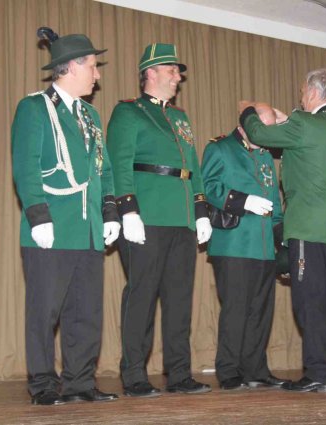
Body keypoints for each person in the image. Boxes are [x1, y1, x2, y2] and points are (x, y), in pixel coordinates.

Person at [238, 68, 326, 392]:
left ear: (312, 92)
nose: (300, 99)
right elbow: (311, 144)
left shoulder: (305, 124)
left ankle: (320, 373)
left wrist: (247, 110)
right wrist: (290, 121)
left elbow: (259, 134)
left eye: (302, 93)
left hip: (311, 228)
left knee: (311, 301)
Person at [11, 27, 120, 405]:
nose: (97, 75)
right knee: (44, 311)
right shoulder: (34, 108)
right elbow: (26, 165)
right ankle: (43, 384)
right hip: (52, 227)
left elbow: (104, 169)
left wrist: (110, 211)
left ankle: (80, 382)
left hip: (88, 230)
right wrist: (38, 215)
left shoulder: (91, 115)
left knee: (85, 312)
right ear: (71, 67)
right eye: (92, 66)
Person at [106, 43, 212, 397]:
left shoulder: (180, 118)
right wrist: (128, 209)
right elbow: (119, 163)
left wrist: (200, 211)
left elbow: (193, 167)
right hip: (147, 216)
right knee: (142, 296)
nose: (178, 77)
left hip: (181, 218)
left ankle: (179, 374)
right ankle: (134, 375)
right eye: (172, 70)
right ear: (150, 72)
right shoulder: (129, 112)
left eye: (178, 71)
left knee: (179, 299)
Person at [201, 109, 290, 391]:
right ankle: (228, 370)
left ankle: (256, 370)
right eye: (262, 128)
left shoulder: (265, 156)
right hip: (234, 243)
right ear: (245, 125)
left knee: (260, 312)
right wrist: (242, 201)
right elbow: (207, 186)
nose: (266, 135)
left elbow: (274, 204)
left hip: (263, 247)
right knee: (235, 310)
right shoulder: (220, 148)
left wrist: (283, 240)